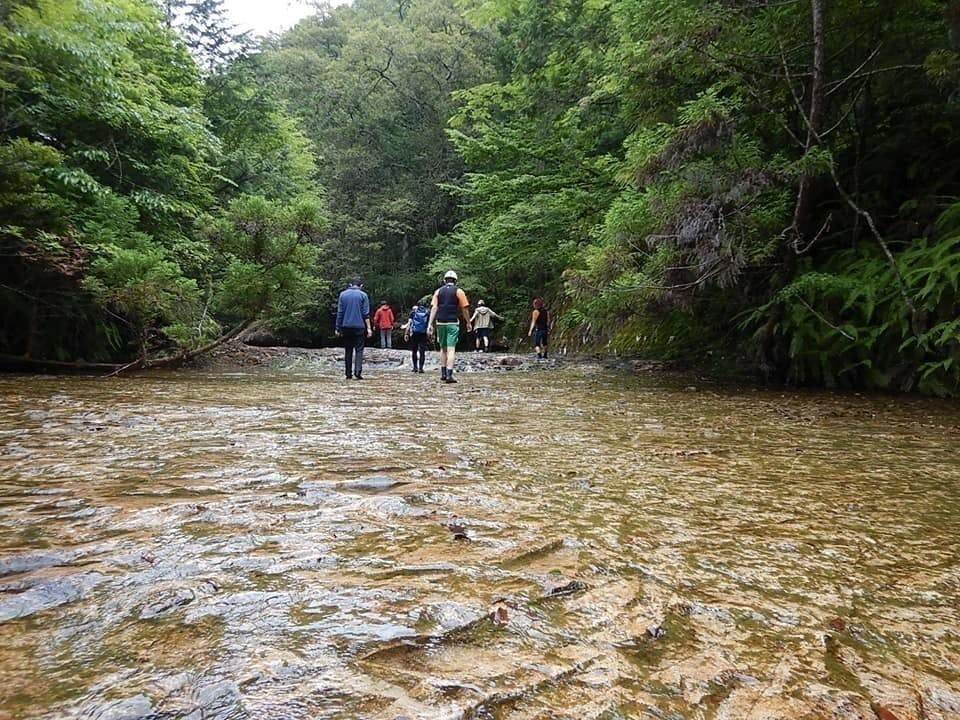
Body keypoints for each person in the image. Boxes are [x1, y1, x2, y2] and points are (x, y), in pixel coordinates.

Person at [428, 270, 471, 383]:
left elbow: (434, 308)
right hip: (452, 322)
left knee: (443, 349)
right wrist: (468, 322)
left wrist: (430, 324)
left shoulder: (438, 291)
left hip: (440, 322)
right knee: (451, 349)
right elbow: (464, 308)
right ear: (455, 281)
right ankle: (449, 375)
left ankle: (442, 374)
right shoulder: (459, 291)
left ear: (444, 280)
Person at [335, 278, 372, 379]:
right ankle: (358, 372)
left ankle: (348, 373)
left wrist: (337, 327)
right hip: (359, 326)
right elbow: (366, 314)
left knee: (348, 350)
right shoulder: (363, 295)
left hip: (346, 326)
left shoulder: (343, 294)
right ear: (361, 286)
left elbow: (340, 313)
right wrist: (369, 328)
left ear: (350, 284)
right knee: (359, 349)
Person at [403, 301, 430, 373]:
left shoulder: (413, 312)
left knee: (414, 351)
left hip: (414, 333)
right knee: (422, 351)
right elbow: (429, 324)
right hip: (423, 333)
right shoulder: (427, 313)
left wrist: (406, 333)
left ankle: (415, 367)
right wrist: (431, 333)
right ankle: (421, 368)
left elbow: (409, 323)